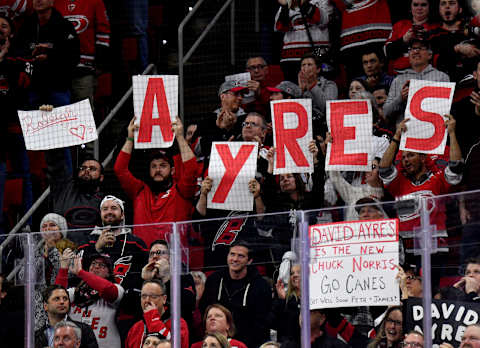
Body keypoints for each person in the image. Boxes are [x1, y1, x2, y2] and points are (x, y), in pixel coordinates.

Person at [379, 116, 463, 257]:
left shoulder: (437, 179)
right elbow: (383, 169)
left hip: (435, 246)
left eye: (411, 155)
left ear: (423, 158)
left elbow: (456, 167)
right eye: (404, 157)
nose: (405, 160)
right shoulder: (399, 183)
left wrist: (452, 134)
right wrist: (396, 138)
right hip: (406, 248)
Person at [114, 116, 198, 247]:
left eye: (163, 165)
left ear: (173, 170)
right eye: (153, 166)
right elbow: (119, 169)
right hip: (143, 260)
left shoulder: (182, 191)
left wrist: (180, 137)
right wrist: (130, 138)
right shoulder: (140, 191)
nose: (158, 169)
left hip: (174, 260)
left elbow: (192, 168)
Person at [200, 241, 272, 348]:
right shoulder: (214, 280)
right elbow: (204, 309)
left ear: (249, 261)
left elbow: (262, 323)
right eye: (232, 254)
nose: (235, 259)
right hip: (216, 342)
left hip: (249, 344)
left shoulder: (260, 286)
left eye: (241, 256)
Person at [14, 0, 79, 107]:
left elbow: (73, 56)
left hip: (58, 86)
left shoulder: (65, 26)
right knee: (34, 122)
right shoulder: (26, 26)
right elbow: (17, 53)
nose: (38, 0)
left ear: (52, 2)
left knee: (61, 123)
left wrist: (50, 55)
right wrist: (31, 56)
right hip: (32, 87)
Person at [56, 250, 124, 348]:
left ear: (109, 273)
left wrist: (80, 272)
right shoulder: (75, 292)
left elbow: (106, 289)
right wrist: (63, 268)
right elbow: (54, 298)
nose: (96, 267)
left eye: (102, 265)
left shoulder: (117, 289)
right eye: (93, 264)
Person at [54, 0, 111, 107]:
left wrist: (99, 62)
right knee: (60, 111)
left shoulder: (95, 2)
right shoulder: (54, 3)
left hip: (84, 68)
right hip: (58, 70)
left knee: (83, 112)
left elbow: (103, 32)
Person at [384, 39, 450, 126]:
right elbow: (386, 112)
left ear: (430, 55)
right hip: (405, 134)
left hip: (434, 132)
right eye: (412, 48)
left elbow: (446, 109)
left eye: (421, 48)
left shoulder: (442, 77)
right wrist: (400, 98)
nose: (416, 51)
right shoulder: (398, 80)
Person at [45, 150, 105, 240]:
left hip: (93, 249)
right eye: (83, 168)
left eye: (92, 169)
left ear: (101, 177)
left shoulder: (106, 202)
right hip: (63, 249)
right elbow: (55, 163)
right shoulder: (63, 189)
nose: (86, 171)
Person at [141, 239, 196, 330]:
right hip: (149, 332)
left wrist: (166, 278)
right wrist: (145, 281)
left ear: (170, 258)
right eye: (151, 254)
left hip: (176, 331)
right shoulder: (143, 277)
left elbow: (187, 306)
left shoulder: (184, 276)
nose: (154, 256)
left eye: (159, 253)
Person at [274, 0, 332, 82]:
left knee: (319, 85)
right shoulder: (287, 4)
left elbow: (324, 20)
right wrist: (285, 7)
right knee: (293, 90)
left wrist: (303, 3)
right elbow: (280, 27)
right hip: (290, 58)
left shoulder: (322, 1)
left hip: (317, 51)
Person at [125, 279, 189, 348]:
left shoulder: (178, 323)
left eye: (153, 296)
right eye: (144, 296)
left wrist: (153, 318)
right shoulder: (136, 327)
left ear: (164, 299)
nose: (147, 300)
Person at [196, 81, 248, 162]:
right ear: (223, 96)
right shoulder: (207, 120)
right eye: (236, 94)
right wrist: (221, 129)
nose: (240, 98)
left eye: (242, 94)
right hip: (213, 166)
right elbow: (198, 150)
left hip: (242, 164)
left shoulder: (249, 119)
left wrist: (231, 129)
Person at [385, 0, 438, 75]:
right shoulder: (400, 25)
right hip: (399, 74)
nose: (419, 8)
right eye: (415, 5)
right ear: (410, 8)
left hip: (428, 75)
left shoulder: (436, 27)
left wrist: (428, 39)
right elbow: (387, 52)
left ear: (429, 7)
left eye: (423, 5)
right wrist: (404, 40)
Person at [298, 53, 338, 136]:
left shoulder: (329, 84)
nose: (305, 68)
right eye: (303, 65)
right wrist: (300, 91)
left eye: (309, 65)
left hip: (324, 130)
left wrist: (312, 86)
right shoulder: (299, 87)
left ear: (318, 69)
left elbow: (327, 108)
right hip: (305, 130)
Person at [271, 264, 301, 343]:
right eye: (292, 273)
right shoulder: (286, 299)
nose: (295, 275)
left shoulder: (316, 299)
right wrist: (281, 300)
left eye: (299, 272)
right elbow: (274, 323)